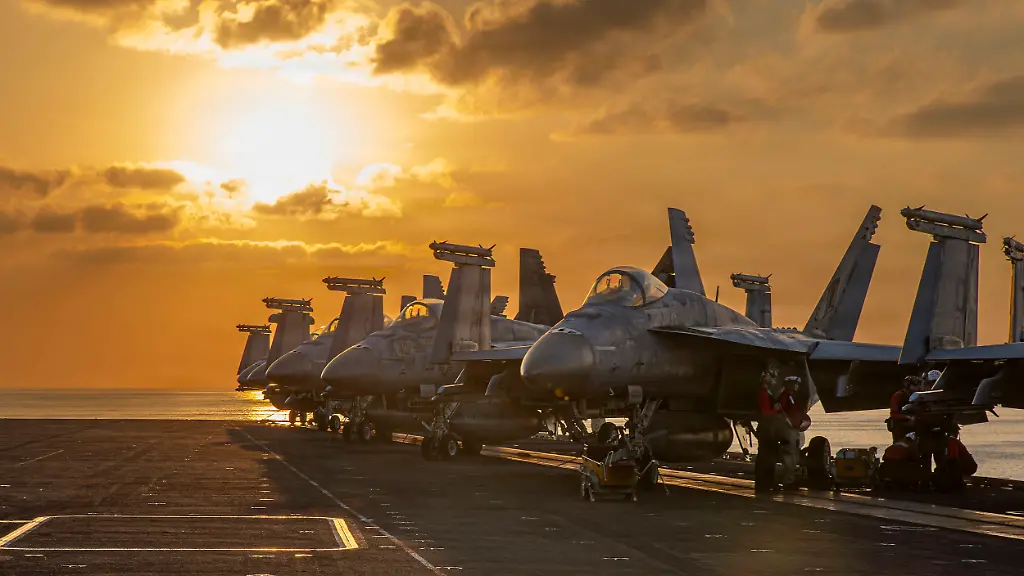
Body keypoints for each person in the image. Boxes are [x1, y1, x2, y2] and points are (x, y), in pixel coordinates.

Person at [754, 363, 783, 493]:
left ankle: (765, 484)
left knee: (766, 457)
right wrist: (775, 409)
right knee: (767, 458)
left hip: (767, 429)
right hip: (768, 430)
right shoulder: (765, 393)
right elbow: (766, 412)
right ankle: (765, 485)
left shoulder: (765, 392)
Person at [777, 375, 808, 490]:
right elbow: (782, 412)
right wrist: (789, 423)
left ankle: (790, 479)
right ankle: (788, 480)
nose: (797, 386)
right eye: (795, 383)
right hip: (788, 429)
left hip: (793, 428)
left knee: (793, 454)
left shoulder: (790, 396)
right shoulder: (785, 397)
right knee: (790, 455)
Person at [887, 375, 920, 443]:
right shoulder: (898, 396)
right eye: (915, 385)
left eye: (918, 385)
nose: (917, 388)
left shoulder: (920, 395)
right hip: (901, 425)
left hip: (917, 424)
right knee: (900, 445)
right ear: (908, 386)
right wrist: (908, 417)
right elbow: (893, 414)